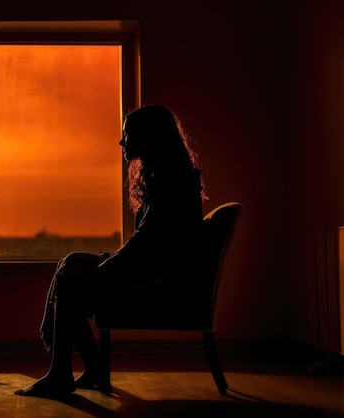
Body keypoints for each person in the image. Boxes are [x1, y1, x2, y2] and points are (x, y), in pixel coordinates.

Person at [15, 104, 209, 399]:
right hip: (153, 270)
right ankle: (90, 369)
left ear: (148, 135)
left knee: (70, 282)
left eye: (127, 134)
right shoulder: (165, 174)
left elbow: (145, 244)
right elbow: (148, 244)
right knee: (72, 261)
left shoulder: (170, 179)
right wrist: (104, 265)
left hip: (160, 283)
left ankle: (60, 374)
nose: (122, 142)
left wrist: (102, 269)